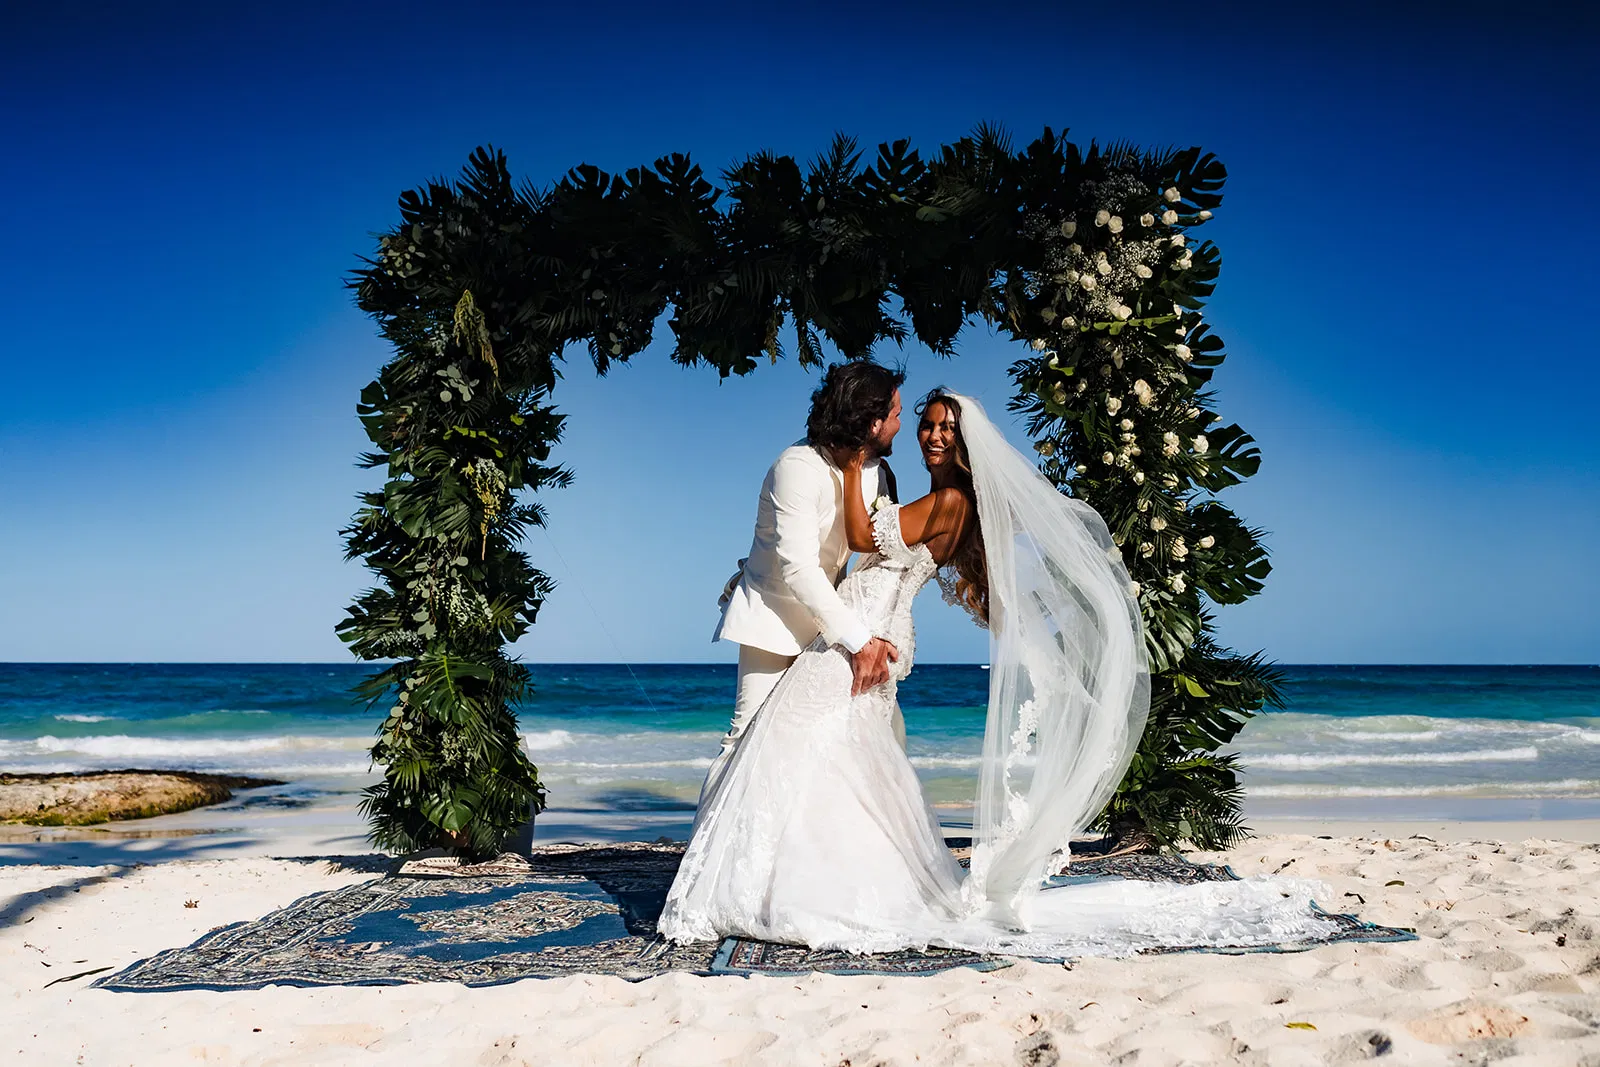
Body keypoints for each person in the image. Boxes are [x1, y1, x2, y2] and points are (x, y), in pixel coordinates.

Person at [660, 390, 1337, 958]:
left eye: (942, 428)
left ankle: (812, 883)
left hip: (865, 632)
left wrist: (850, 460)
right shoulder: (945, 498)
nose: (929, 434)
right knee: (835, 756)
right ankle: (806, 874)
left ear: (962, 442)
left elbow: (866, 539)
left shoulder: (949, 501)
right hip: (872, 628)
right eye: (924, 423)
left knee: (800, 743)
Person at [705, 361, 904, 805]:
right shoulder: (795, 467)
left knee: (832, 746)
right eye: (894, 413)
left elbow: (879, 557)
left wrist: (877, 630)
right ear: (871, 422)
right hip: (773, 623)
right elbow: (797, 567)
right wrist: (858, 640)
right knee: (745, 745)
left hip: (829, 630)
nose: (899, 421)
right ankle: (705, 866)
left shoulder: (879, 474)